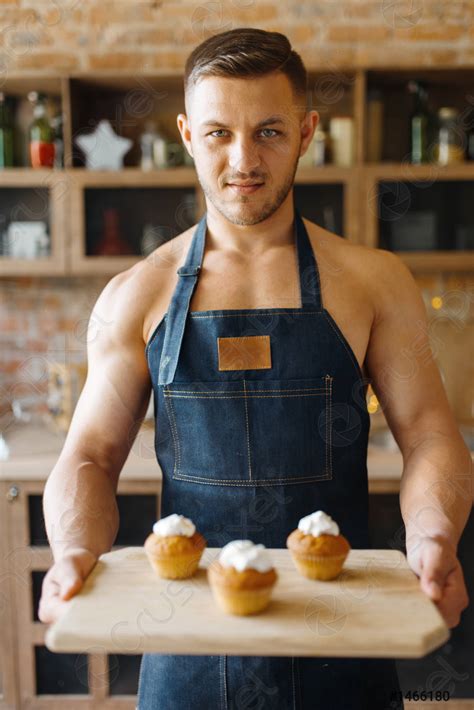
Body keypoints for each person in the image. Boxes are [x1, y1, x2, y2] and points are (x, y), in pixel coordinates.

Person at [39, 27, 471, 710]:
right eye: (218, 133)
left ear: (305, 132)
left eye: (268, 131)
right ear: (186, 134)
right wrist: (69, 552)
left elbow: (429, 435)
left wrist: (435, 533)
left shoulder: (375, 282)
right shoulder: (136, 295)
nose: (243, 160)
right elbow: (90, 455)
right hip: (187, 653)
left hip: (343, 644)